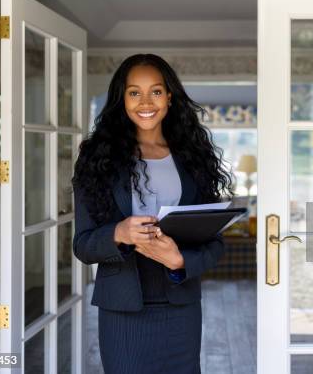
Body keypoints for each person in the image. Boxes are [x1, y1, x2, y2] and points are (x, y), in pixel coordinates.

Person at [71, 53, 234, 374]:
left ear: (169, 97)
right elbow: (83, 245)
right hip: (122, 310)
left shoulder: (193, 158)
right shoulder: (95, 159)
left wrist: (179, 262)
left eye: (156, 91)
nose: (146, 101)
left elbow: (215, 244)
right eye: (134, 92)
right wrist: (119, 233)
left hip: (181, 309)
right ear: (122, 99)